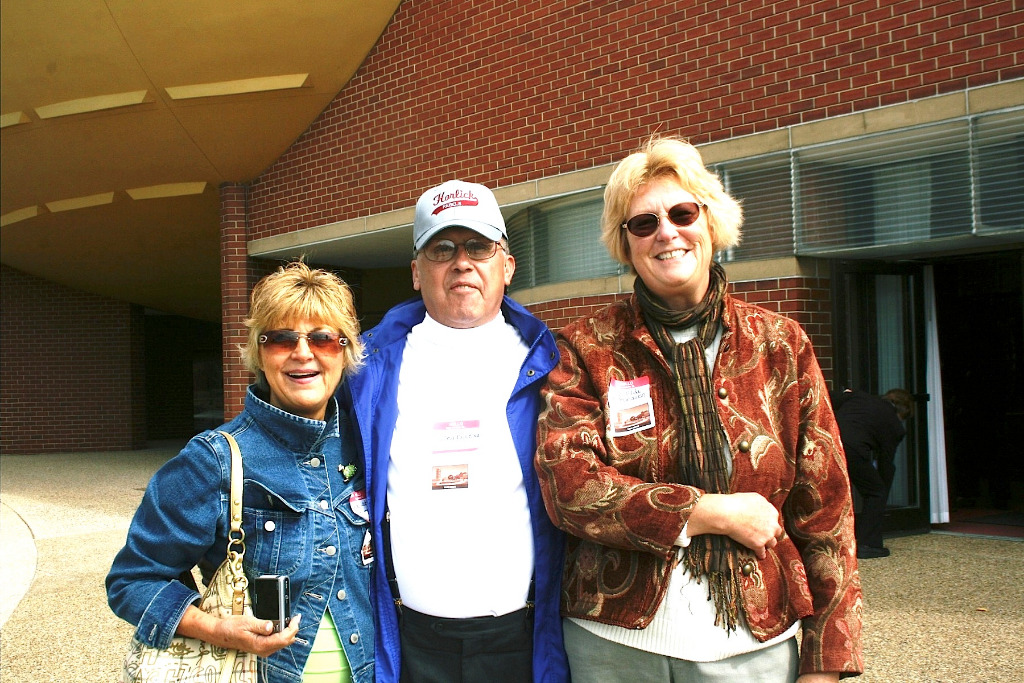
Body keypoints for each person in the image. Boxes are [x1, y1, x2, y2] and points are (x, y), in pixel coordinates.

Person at [535, 136, 863, 682]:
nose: (666, 232)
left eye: (682, 213)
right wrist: (709, 511)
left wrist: (826, 662)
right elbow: (570, 489)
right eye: (643, 223)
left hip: (755, 649)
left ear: (709, 222)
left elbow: (827, 512)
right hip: (613, 650)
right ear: (627, 242)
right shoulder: (586, 348)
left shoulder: (779, 345)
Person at [343, 180, 569, 683]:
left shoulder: (554, 365)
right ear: (417, 273)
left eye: (479, 246)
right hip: (409, 640)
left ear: (506, 265)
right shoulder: (364, 368)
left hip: (523, 639)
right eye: (442, 248)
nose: (462, 261)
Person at [108, 262, 375, 683]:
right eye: (282, 338)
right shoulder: (213, 458)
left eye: (322, 338)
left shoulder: (365, 448)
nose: (303, 352)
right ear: (259, 353)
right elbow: (132, 580)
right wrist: (214, 627)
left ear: (344, 351)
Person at [831, 387, 914, 559]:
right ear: (902, 411)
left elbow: (828, 396)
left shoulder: (859, 396)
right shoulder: (895, 424)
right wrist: (883, 488)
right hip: (852, 450)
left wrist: (845, 394)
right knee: (875, 493)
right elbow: (886, 462)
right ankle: (868, 544)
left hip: (827, 443)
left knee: (831, 492)